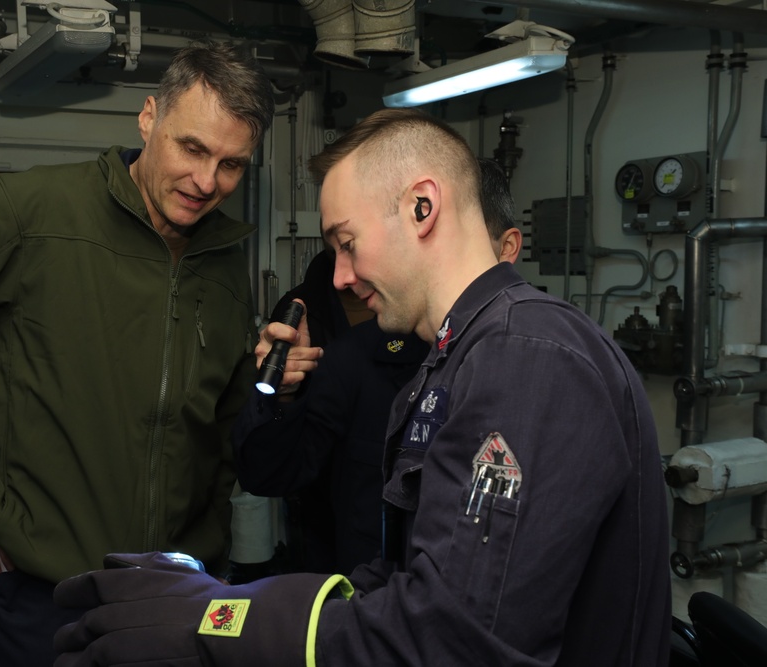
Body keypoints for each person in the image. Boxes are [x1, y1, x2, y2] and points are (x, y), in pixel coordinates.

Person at [51, 108, 670, 666]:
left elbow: (454, 641)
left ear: (422, 207)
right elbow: (402, 583)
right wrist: (219, 605)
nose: (341, 277)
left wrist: (217, 628)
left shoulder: (526, 358)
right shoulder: (458, 358)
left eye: (346, 244)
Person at [0, 40, 274, 666]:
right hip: (42, 599)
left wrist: (218, 559)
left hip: (170, 599)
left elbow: (220, 432)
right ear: (149, 117)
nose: (207, 182)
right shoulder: (28, 213)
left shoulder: (225, 265)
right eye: (193, 148)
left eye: (232, 165)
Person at [237, 158, 522, 576]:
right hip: (368, 608)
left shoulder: (538, 359)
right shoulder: (356, 356)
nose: (342, 277)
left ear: (507, 249)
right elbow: (269, 474)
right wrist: (283, 392)